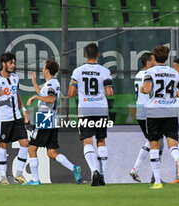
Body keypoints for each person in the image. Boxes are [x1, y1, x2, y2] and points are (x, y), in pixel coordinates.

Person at [23, 59, 82, 185]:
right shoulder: (52, 83)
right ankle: (74, 168)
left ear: (48, 71)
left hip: (45, 118)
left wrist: (35, 97)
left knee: (32, 149)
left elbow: (51, 99)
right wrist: (34, 83)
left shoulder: (51, 85)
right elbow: (44, 95)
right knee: (51, 152)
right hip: (52, 118)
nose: (42, 70)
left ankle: (35, 179)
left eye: (44, 68)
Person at [140, 45, 179, 189]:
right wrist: (172, 95)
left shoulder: (150, 72)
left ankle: (157, 182)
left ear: (154, 58)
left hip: (154, 112)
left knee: (154, 146)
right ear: (167, 58)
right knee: (173, 145)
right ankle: (178, 160)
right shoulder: (174, 73)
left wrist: (143, 89)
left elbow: (147, 89)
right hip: (170, 111)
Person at [68, 43, 113, 186]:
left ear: (86, 55)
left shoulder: (78, 71)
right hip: (101, 109)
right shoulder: (105, 71)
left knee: (87, 141)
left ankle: (94, 171)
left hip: (85, 110)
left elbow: (70, 93)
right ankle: (103, 175)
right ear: (98, 55)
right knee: (101, 140)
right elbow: (109, 93)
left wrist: (79, 90)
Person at [0, 52, 29, 185]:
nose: (13, 65)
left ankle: (19, 174)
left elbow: (16, 93)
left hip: (16, 116)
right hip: (4, 118)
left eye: (14, 63)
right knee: (3, 145)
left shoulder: (15, 78)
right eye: (10, 63)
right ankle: (3, 177)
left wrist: (23, 110)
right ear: (3, 64)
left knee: (25, 143)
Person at [129, 53, 165, 183]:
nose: (156, 61)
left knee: (157, 142)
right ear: (149, 62)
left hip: (140, 111)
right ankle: (136, 169)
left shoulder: (139, 75)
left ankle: (153, 176)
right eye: (154, 59)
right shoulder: (148, 75)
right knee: (154, 141)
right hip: (148, 111)